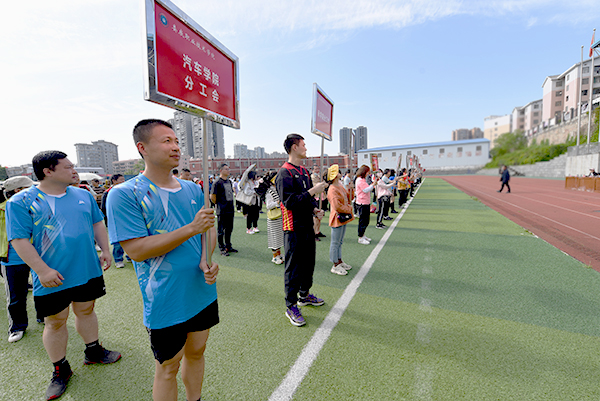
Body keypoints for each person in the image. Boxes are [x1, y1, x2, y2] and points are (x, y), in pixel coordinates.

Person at [107, 119, 218, 401]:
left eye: (176, 141)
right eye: (166, 141)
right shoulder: (124, 194)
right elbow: (136, 250)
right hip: (164, 297)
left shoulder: (193, 189)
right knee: (168, 366)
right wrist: (191, 228)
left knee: (197, 351)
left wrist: (206, 259)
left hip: (201, 289)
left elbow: (208, 230)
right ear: (142, 148)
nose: (175, 147)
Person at [6, 150, 120, 400]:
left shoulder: (83, 194)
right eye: (68, 167)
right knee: (55, 321)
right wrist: (42, 270)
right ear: (48, 171)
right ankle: (61, 369)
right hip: (51, 276)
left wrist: (105, 250)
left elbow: (97, 223)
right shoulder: (21, 201)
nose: (73, 171)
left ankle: (93, 351)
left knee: (87, 309)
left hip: (87, 269)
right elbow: (19, 239)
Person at [276, 133, 328, 327]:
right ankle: (290, 305)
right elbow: (290, 202)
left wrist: (314, 209)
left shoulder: (304, 171)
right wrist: (314, 190)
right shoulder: (284, 173)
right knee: (293, 267)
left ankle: (304, 295)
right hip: (293, 228)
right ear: (294, 147)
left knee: (308, 263)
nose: (306, 148)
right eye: (303, 145)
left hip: (307, 226)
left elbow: (306, 199)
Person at [1, 176, 35, 343]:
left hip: (38, 255)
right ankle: (17, 326)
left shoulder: (36, 206)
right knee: (15, 296)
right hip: (12, 258)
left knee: (44, 290)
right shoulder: (3, 208)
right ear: (18, 190)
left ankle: (44, 316)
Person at [326, 165, 354, 276]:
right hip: (337, 217)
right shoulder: (332, 188)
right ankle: (335, 264)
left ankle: (339, 261)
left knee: (339, 242)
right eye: (337, 172)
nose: (340, 173)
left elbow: (349, 198)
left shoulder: (340, 186)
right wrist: (349, 209)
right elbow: (337, 206)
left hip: (342, 216)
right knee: (335, 242)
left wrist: (351, 189)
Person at [210, 163, 237, 256]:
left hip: (230, 209)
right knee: (221, 230)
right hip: (222, 210)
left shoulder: (229, 181)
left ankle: (228, 246)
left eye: (228, 169)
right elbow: (212, 196)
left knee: (229, 229)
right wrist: (219, 204)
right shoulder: (217, 182)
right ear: (221, 170)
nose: (228, 170)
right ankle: (222, 248)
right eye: (226, 169)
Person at [100, 174, 127, 268]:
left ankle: (130, 256)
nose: (123, 182)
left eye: (124, 180)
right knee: (117, 241)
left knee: (130, 238)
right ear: (114, 181)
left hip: (125, 219)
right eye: (121, 180)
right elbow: (103, 208)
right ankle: (118, 259)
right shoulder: (107, 193)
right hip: (114, 220)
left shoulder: (126, 191)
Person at [260, 171, 284, 265]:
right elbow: (268, 205)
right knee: (274, 238)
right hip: (273, 218)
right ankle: (275, 256)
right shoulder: (270, 191)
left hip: (279, 216)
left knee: (279, 237)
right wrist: (277, 203)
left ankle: (279, 254)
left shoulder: (277, 189)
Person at [355, 165, 377, 245]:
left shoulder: (363, 180)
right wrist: (373, 185)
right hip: (362, 203)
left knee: (366, 221)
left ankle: (363, 235)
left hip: (365, 202)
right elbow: (365, 190)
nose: (368, 173)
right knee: (363, 221)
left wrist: (372, 184)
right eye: (368, 172)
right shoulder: (360, 180)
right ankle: (360, 237)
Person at [310, 166, 327, 241]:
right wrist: (322, 184)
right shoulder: (312, 178)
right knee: (316, 217)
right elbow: (316, 187)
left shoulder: (319, 177)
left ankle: (317, 231)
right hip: (316, 198)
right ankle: (314, 233)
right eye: (315, 169)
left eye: (318, 169)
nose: (317, 170)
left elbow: (325, 185)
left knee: (320, 215)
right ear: (312, 170)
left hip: (322, 198)